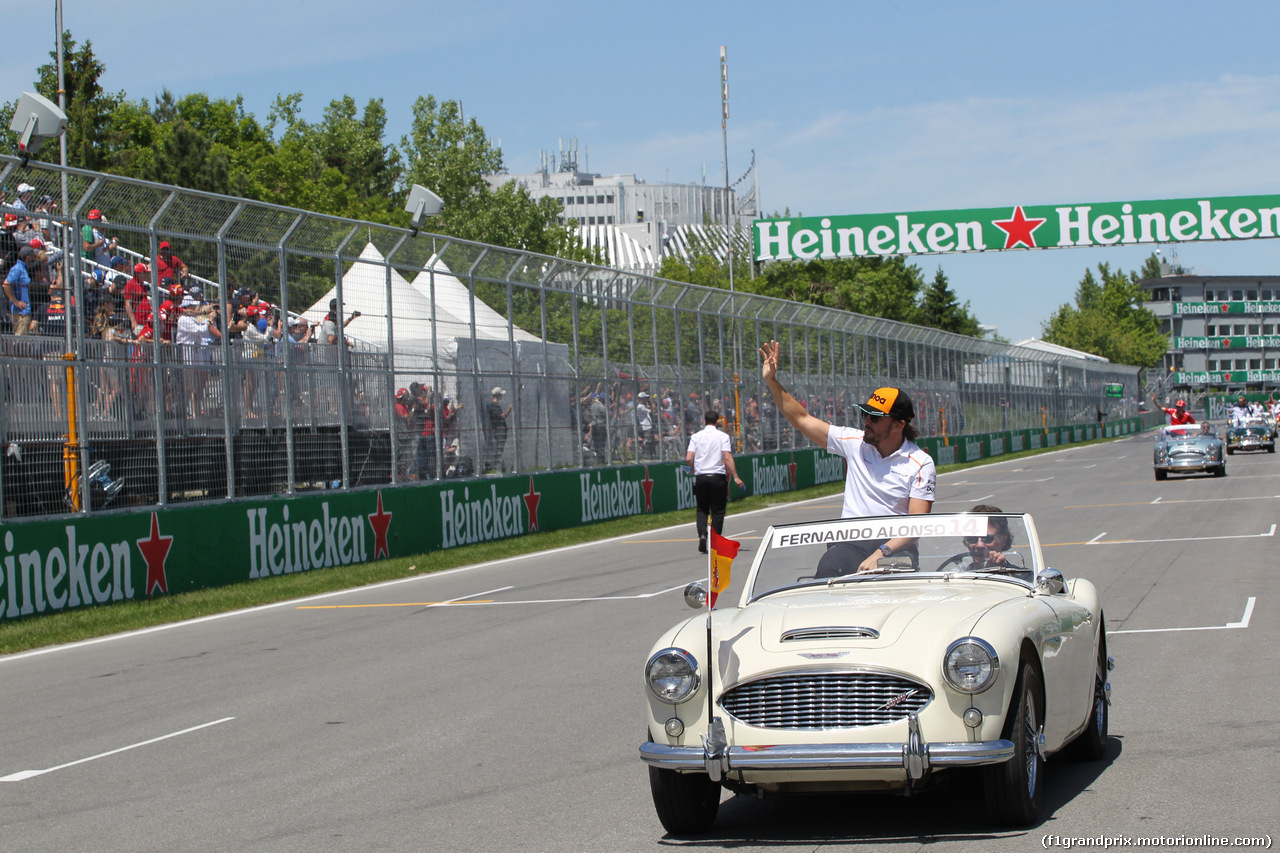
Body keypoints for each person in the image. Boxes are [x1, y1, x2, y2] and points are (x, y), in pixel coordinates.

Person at [759, 339, 936, 576]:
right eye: (865, 414)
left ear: (898, 424)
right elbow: (801, 419)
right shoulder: (855, 442)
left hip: (894, 546)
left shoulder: (920, 463)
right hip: (851, 540)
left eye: (875, 417)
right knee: (829, 568)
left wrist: (881, 552)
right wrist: (772, 380)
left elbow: (916, 525)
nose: (866, 422)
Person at [686, 410, 745, 553]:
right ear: (717, 422)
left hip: (701, 477)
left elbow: (688, 458)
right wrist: (736, 476)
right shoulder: (723, 436)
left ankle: (702, 535)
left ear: (704, 421)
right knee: (718, 511)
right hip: (717, 477)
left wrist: (694, 469)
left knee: (702, 509)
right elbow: (728, 457)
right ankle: (716, 540)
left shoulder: (696, 437)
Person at [939, 505, 1027, 574]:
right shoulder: (956, 578)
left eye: (987, 538)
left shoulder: (1023, 577)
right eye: (972, 539)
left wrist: (996, 571)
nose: (979, 545)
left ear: (1003, 540)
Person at [3, 245, 36, 336]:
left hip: (24, 311)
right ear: (28, 257)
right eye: (33, 256)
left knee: (23, 340)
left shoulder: (22, 269)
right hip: (21, 312)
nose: (34, 258)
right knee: (20, 341)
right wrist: (16, 302)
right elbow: (6, 284)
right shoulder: (17, 269)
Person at [485, 386, 512, 473]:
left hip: (500, 430)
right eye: (500, 394)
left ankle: (496, 465)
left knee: (499, 449)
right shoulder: (493, 405)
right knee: (498, 449)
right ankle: (494, 466)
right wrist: (509, 409)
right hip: (499, 430)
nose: (502, 396)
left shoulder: (495, 405)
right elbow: (502, 416)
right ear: (497, 395)